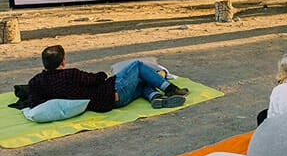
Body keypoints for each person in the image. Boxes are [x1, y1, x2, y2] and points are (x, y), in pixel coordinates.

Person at [27, 45, 189, 112]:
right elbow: (95, 78)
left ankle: (154, 97)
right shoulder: (71, 74)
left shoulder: (35, 83)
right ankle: (169, 88)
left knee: (140, 82)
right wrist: (105, 75)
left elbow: (34, 104)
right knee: (137, 66)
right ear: (63, 61)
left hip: (110, 104)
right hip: (113, 92)